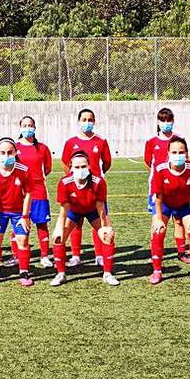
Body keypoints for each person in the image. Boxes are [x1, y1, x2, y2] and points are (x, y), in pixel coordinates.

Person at [49, 151, 119, 287]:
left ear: (89, 166)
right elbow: (63, 212)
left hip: (93, 211)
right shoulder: (64, 183)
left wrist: (106, 227)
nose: (80, 170)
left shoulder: (98, 182)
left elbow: (101, 209)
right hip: (74, 212)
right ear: (71, 168)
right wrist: (58, 229)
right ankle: (60, 274)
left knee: (108, 236)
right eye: (77, 167)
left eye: (83, 166)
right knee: (58, 238)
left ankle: (108, 274)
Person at [149, 137, 190, 284]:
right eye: (174, 152)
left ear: (187, 153)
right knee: (158, 231)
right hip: (165, 205)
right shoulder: (160, 169)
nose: (178, 155)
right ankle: (157, 271)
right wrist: (159, 218)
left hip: (185, 206)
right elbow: (158, 196)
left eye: (181, 152)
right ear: (168, 153)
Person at [61, 108, 112, 267]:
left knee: (99, 222)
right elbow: (64, 163)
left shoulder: (101, 141)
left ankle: (99, 255)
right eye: (84, 120)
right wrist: (74, 178)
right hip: (77, 188)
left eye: (90, 120)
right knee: (76, 222)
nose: (87, 123)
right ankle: (76, 256)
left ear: (94, 122)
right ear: (78, 121)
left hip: (95, 190)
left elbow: (107, 162)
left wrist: (97, 177)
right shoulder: (71, 142)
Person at [0, 138, 34, 287]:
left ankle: (24, 273)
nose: (6, 155)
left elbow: (28, 194)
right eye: (3, 152)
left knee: (22, 241)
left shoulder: (24, 170)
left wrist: (25, 216)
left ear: (15, 152)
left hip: (18, 212)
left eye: (10, 152)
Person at [144, 107, 190, 264]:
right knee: (158, 222)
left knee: (178, 221)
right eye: (163, 120)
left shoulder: (179, 139)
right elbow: (148, 162)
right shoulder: (151, 141)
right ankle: (156, 254)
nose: (166, 123)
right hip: (158, 189)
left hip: (178, 188)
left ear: (173, 121)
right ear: (158, 122)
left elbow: (185, 159)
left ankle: (182, 252)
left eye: (169, 120)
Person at [14, 116, 54, 268]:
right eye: (24, 125)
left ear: (35, 127)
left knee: (42, 224)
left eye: (30, 125)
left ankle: (44, 256)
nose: (27, 128)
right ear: (20, 127)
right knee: (19, 223)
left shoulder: (42, 148)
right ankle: (17, 256)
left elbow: (48, 168)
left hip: (38, 190)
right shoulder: (15, 147)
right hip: (19, 192)